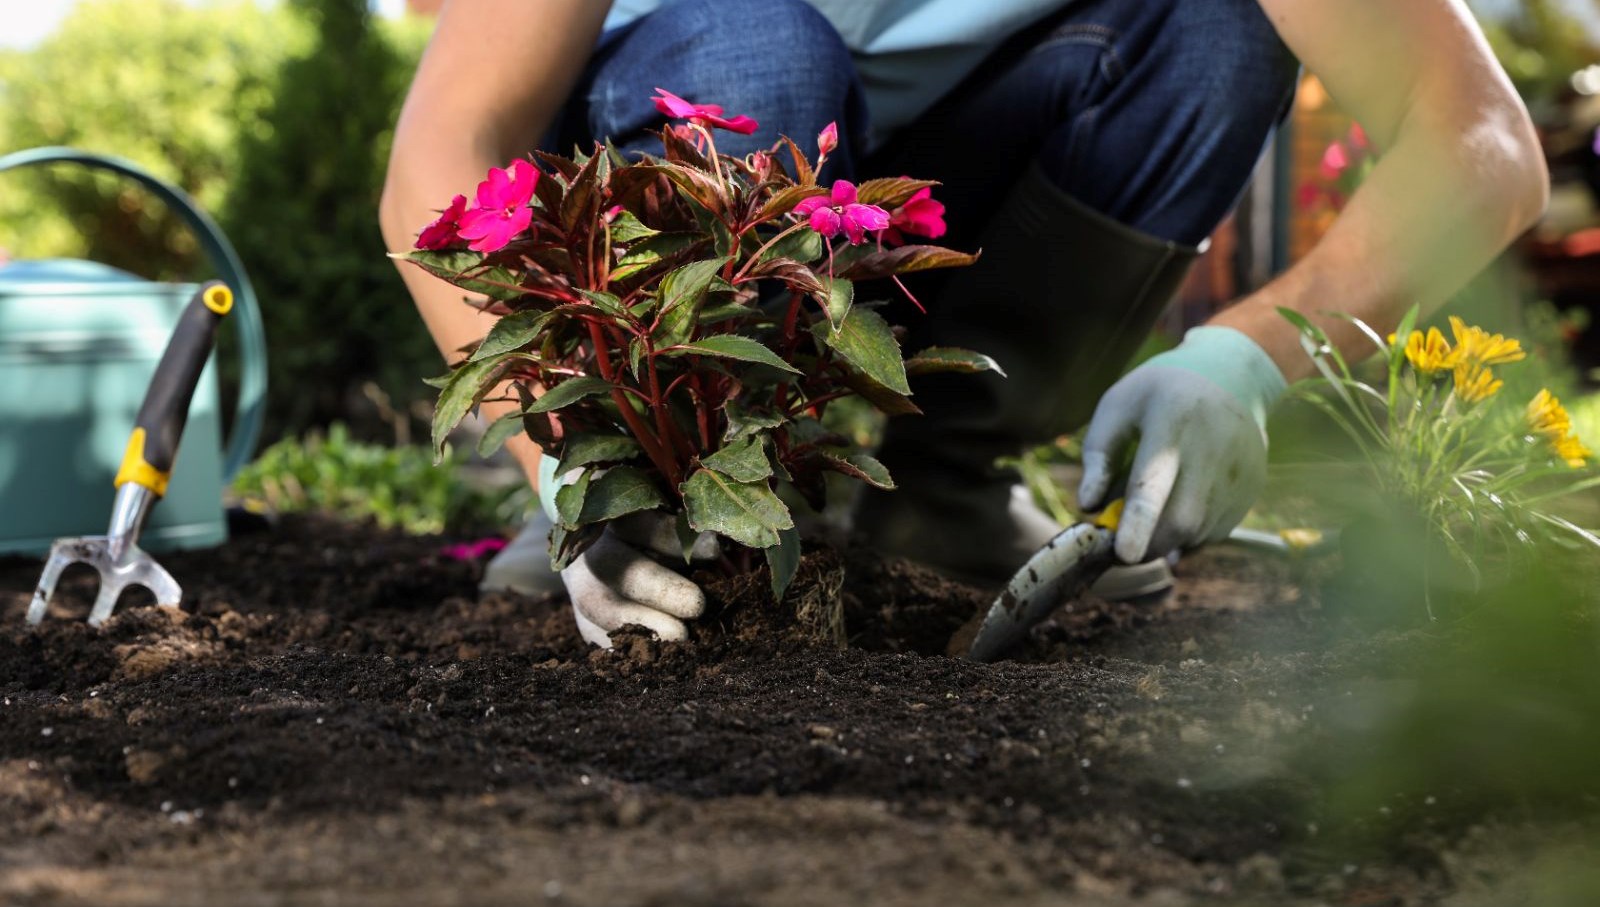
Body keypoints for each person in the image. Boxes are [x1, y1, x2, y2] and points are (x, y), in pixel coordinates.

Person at [381, 0, 1547, 647]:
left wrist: (1248, 357)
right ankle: (660, 500)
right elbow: (436, 158)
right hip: (699, 142)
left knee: (1219, 27)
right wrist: (564, 463)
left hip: (933, 206)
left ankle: (948, 479)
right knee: (758, 46)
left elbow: (1482, 141)